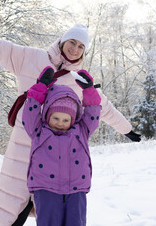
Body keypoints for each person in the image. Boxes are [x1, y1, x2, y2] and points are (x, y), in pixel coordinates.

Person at [0, 19, 141, 226]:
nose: (75, 49)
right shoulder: (30, 57)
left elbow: (102, 106)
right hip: (24, 143)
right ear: (62, 41)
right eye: (72, 42)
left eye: (81, 46)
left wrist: (127, 129)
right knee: (14, 209)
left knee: (47, 210)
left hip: (55, 157)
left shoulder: (79, 80)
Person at [22, 66, 101, 226]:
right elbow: (30, 112)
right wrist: (40, 88)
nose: (60, 123)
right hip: (46, 190)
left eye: (66, 120)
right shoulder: (38, 130)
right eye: (55, 118)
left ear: (73, 119)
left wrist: (89, 90)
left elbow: (93, 113)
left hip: (76, 190)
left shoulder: (81, 131)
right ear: (47, 115)